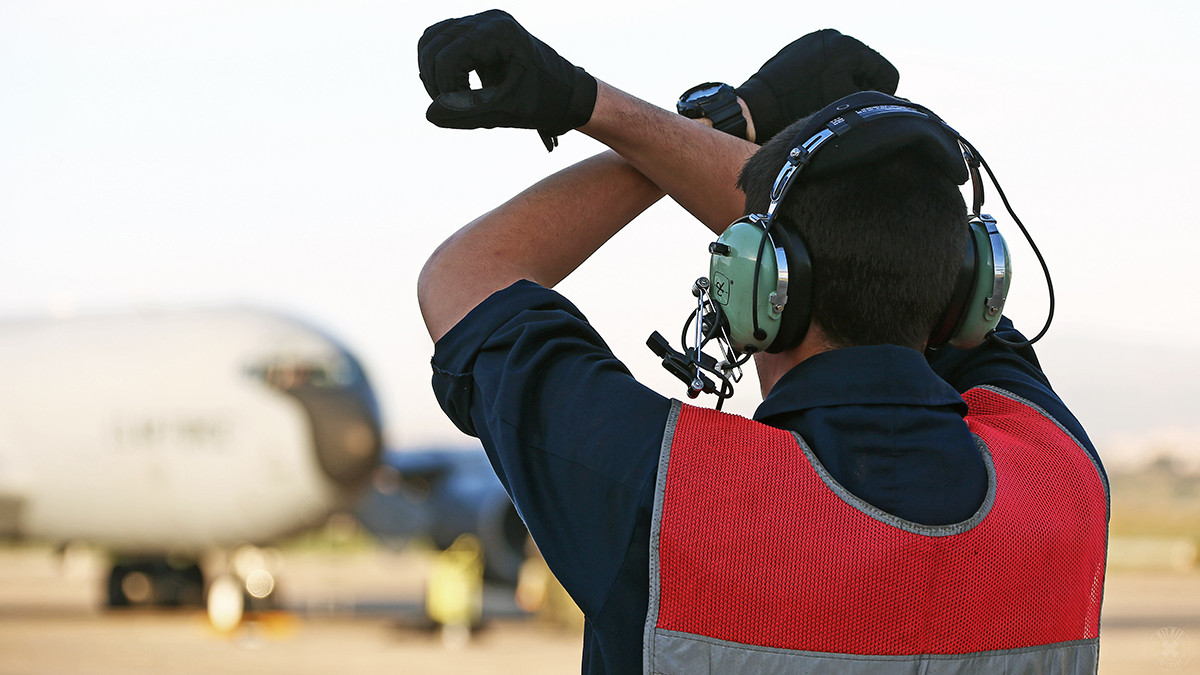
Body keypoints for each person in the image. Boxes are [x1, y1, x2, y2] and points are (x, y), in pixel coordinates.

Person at [416, 10, 1108, 675]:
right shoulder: (1063, 482)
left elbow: (465, 276)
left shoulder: (667, 495)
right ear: (966, 293)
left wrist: (642, 118)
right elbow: (883, 261)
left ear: (752, 288)